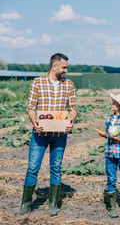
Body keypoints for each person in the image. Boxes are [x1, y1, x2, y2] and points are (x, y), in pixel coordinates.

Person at [15, 53, 77, 216]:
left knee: (56, 168)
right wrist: (34, 121)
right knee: (32, 168)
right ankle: (25, 205)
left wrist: (71, 120)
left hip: (59, 135)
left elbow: (73, 107)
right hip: (40, 134)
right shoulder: (38, 82)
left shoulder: (69, 85)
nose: (65, 71)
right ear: (54, 66)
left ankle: (52, 205)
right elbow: (31, 107)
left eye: (66, 68)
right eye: (64, 67)